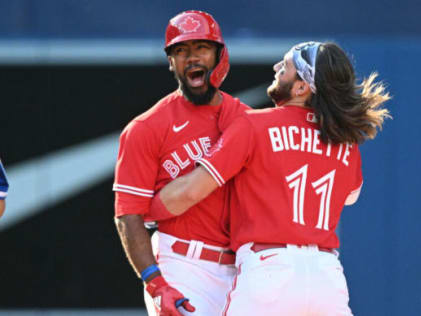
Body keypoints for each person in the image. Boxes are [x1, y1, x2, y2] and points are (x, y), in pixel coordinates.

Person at [150, 41, 391, 315]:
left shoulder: (255, 124)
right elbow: (350, 196)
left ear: (301, 87)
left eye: (286, 66)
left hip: (269, 271)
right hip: (327, 277)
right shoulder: (346, 144)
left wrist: (145, 211)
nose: (277, 68)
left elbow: (191, 191)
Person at [113, 10, 249, 316]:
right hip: (183, 265)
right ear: (170, 62)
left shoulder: (246, 120)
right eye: (180, 51)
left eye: (201, 47)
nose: (191, 58)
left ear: (220, 55)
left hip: (244, 269)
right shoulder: (146, 128)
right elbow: (127, 215)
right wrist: (156, 284)